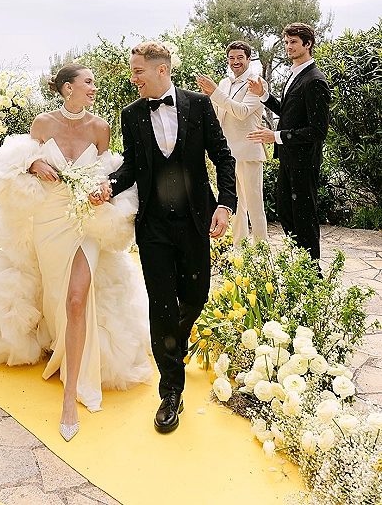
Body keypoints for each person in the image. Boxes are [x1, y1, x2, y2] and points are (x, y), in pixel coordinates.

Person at [0, 64, 152, 442]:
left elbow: (108, 173)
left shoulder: (101, 128)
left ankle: (71, 395)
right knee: (54, 294)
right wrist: (34, 163)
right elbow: (12, 162)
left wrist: (103, 190)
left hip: (84, 219)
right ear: (68, 88)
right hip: (47, 220)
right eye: (89, 82)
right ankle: (58, 346)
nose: (94, 88)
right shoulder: (42, 123)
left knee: (75, 299)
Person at [95, 42, 236, 434]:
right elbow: (132, 168)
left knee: (196, 296)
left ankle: (173, 342)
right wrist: (108, 185)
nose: (132, 78)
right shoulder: (132, 114)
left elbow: (223, 157)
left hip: (194, 220)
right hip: (153, 224)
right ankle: (171, 391)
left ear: (161, 71)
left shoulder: (199, 105)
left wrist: (224, 204)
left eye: (138, 71)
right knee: (161, 303)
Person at [247, 23, 331, 262]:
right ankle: (301, 265)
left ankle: (312, 274)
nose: (288, 47)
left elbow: (317, 130)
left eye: (293, 42)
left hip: (304, 162)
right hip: (289, 159)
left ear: (308, 44)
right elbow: (288, 113)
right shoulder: (297, 74)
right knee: (286, 214)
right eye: (286, 42)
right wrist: (263, 95)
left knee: (304, 220)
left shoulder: (315, 80)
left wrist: (275, 137)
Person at [196, 40, 269, 247]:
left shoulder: (257, 83)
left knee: (255, 208)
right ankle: (240, 254)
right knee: (235, 208)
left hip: (248, 152)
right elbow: (219, 114)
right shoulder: (225, 82)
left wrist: (215, 93)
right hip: (227, 155)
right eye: (231, 58)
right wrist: (207, 99)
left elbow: (242, 112)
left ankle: (262, 256)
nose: (235, 62)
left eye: (240, 57)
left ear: (248, 59)